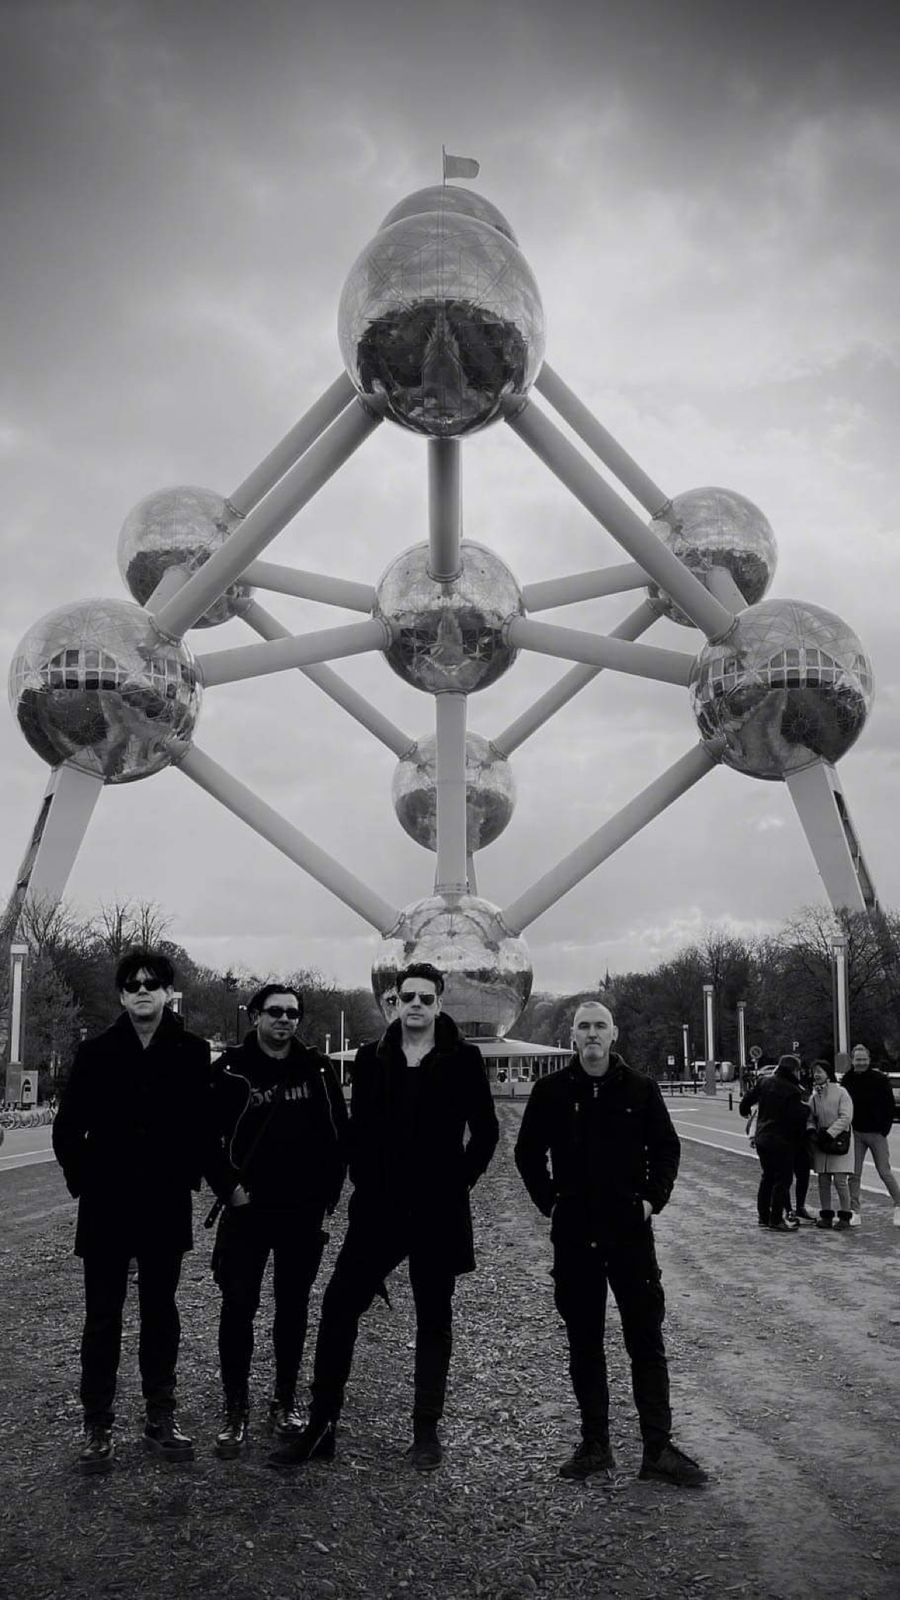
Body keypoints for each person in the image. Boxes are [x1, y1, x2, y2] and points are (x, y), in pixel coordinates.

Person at [268, 961, 499, 1472]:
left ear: (439, 1004)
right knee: (338, 1307)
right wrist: (361, 1175)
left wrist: (458, 1182)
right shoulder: (373, 1058)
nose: (415, 1005)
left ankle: (425, 1432)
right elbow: (358, 1129)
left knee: (434, 1318)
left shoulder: (463, 1059)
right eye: (406, 997)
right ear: (394, 1001)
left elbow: (486, 1132)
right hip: (380, 1208)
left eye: (425, 998)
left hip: (437, 1209)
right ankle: (322, 1424)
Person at [514, 999, 706, 1488]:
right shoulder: (551, 1091)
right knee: (585, 1342)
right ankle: (595, 1445)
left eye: (600, 1026)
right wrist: (550, 1203)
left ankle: (657, 1448)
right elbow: (527, 1152)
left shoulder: (640, 1089)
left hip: (629, 1233)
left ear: (614, 1034)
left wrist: (651, 1201)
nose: (593, 1034)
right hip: (575, 1234)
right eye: (584, 1027)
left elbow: (666, 1147)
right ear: (573, 1037)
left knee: (646, 1340)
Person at [52, 948, 220, 1475]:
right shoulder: (96, 1052)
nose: (142, 991)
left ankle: (160, 1416)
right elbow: (67, 1128)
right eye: (133, 984)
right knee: (102, 1316)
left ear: (168, 991)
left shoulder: (192, 1051)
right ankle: (97, 1423)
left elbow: (202, 1126)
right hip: (106, 1203)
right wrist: (86, 1182)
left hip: (163, 1202)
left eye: (152, 983)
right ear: (122, 995)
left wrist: (192, 1175)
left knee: (160, 1312)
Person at [208, 983, 349, 1459]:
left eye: (292, 1012)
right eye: (275, 1012)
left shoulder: (317, 1069)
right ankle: (235, 1407)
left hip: (301, 1210)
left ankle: (285, 1401)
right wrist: (230, 1190)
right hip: (246, 1209)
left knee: (293, 1309)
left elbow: (339, 1134)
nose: (285, 1019)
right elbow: (205, 1139)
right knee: (238, 1307)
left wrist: (328, 1194)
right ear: (255, 1016)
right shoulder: (229, 1071)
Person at [739, 1054, 809, 1233]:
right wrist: (807, 1109)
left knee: (767, 1177)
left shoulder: (764, 1082)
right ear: (794, 1070)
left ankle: (763, 1216)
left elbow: (746, 1102)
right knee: (783, 1179)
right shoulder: (793, 1090)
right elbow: (795, 1117)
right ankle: (776, 1219)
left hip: (763, 1136)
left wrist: (745, 1111)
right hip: (782, 1139)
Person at [840, 1043, 900, 1228]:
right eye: (858, 1059)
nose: (861, 1063)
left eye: (864, 1059)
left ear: (869, 1060)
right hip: (856, 1133)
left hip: (876, 1133)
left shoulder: (879, 1079)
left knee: (884, 1172)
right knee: (854, 1174)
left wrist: (884, 1129)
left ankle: (898, 1205)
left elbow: (889, 1105)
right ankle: (855, 1212)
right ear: (852, 1060)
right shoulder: (847, 1079)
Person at [807, 1060, 854, 1229]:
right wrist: (812, 1130)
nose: (816, 1075)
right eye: (814, 1071)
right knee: (823, 1180)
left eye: (820, 1071)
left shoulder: (841, 1092)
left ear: (828, 1073)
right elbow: (810, 1118)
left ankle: (845, 1216)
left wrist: (830, 1133)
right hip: (821, 1143)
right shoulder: (814, 1096)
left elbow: (846, 1117)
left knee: (840, 1181)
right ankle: (826, 1215)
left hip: (839, 1141)